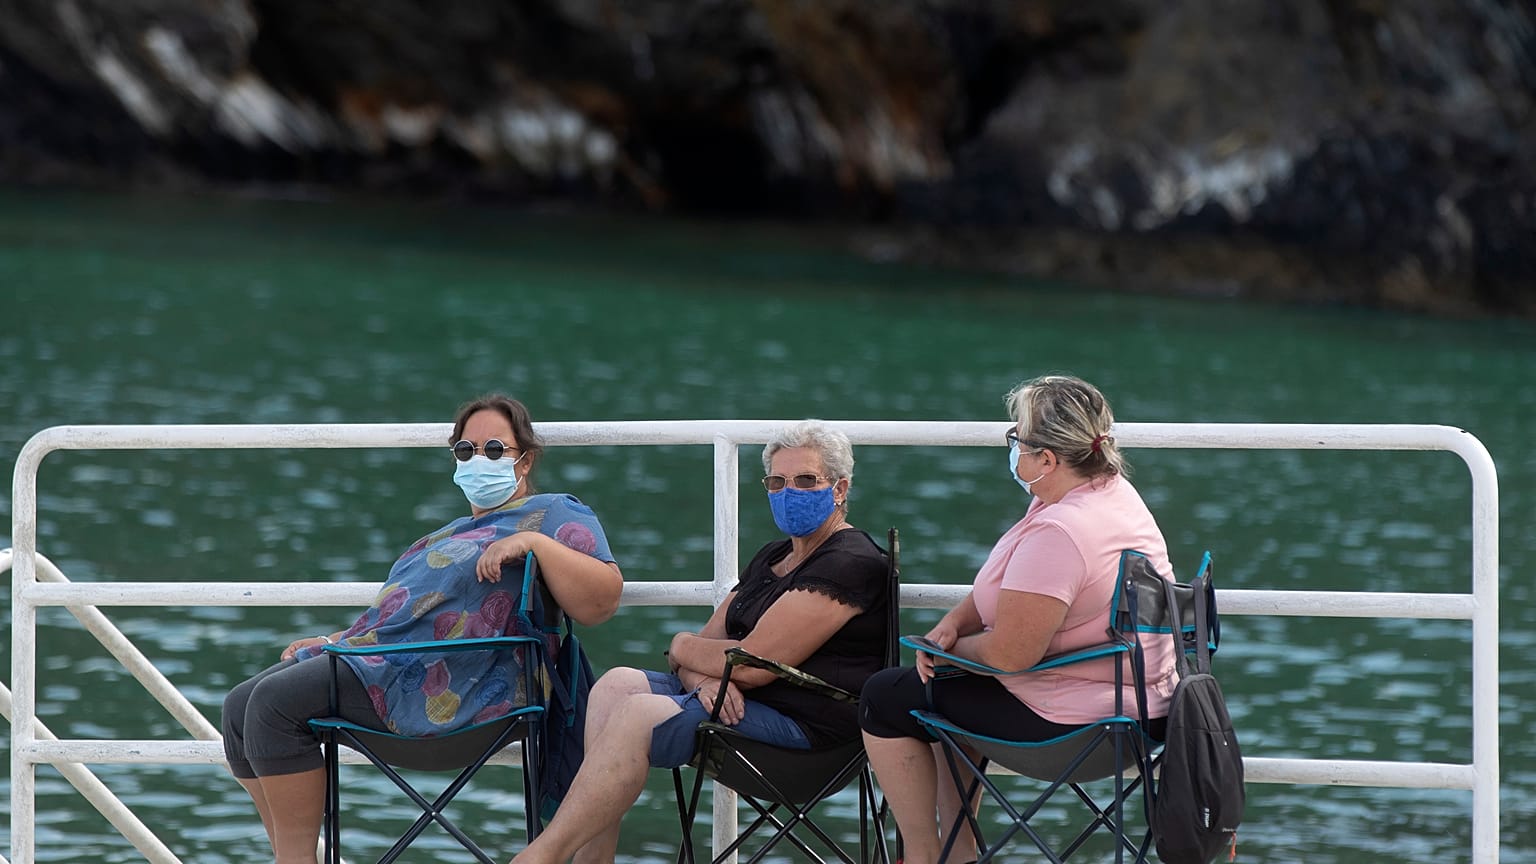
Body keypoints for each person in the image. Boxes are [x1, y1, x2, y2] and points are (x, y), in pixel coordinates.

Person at [221, 393, 624, 864]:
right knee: (237, 708)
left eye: (494, 449)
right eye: (466, 451)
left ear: (525, 459)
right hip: (387, 664)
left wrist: (532, 543)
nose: (479, 459)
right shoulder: (441, 537)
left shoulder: (555, 513)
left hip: (464, 686)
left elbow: (602, 600)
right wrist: (336, 642)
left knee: (274, 704)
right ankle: (289, 857)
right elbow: (397, 621)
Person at [510, 419, 890, 864]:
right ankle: (594, 858)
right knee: (615, 685)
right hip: (735, 704)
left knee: (639, 713)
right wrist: (705, 681)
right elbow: (703, 644)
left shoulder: (850, 563)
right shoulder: (774, 556)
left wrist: (692, 653)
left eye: (807, 480)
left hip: (807, 731)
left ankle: (542, 856)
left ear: (840, 488)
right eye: (777, 481)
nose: (790, 492)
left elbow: (751, 663)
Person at [859, 374, 1177, 864]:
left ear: (1046, 459)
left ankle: (925, 855)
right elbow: (1010, 585)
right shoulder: (1107, 493)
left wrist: (945, 652)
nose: (1012, 449)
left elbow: (1010, 655)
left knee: (885, 696)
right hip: (1144, 706)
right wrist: (957, 622)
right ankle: (956, 851)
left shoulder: (1062, 530)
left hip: (1079, 725)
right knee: (946, 690)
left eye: (1016, 439)